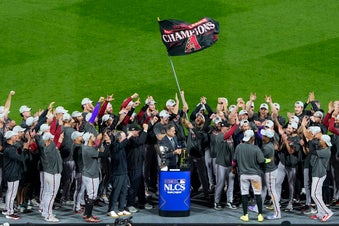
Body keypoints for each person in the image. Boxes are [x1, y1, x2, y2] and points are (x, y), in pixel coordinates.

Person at [233, 130, 268, 222]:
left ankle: (245, 215)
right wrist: (267, 160)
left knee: (244, 194)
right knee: (258, 194)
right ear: (252, 138)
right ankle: (260, 215)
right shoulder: (256, 148)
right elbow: (261, 160)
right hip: (255, 176)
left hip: (243, 175)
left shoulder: (239, 147)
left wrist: (234, 168)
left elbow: (234, 160)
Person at [35, 131, 63, 222]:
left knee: (47, 194)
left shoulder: (43, 147)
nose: (52, 139)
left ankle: (44, 212)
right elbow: (57, 142)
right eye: (51, 138)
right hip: (53, 175)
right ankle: (48, 216)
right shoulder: (51, 148)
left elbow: (40, 141)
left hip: (47, 173)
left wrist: (37, 136)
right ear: (49, 140)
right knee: (51, 196)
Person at [107, 131, 132, 218]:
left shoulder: (122, 146)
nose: (126, 138)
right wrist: (128, 137)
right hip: (117, 173)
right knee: (115, 192)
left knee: (124, 191)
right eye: (124, 137)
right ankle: (111, 210)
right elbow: (120, 145)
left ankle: (121, 209)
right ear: (120, 138)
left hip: (124, 172)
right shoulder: (114, 145)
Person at [81, 132, 105, 223]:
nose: (95, 137)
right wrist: (101, 140)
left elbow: (100, 149)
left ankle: (86, 214)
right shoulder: (89, 149)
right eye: (93, 136)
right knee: (92, 195)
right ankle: (89, 216)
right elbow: (103, 153)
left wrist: (100, 141)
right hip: (91, 175)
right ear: (89, 139)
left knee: (90, 195)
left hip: (87, 174)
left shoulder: (87, 147)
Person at [309, 134, 333, 222]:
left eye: (321, 140)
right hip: (317, 173)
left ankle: (328, 212)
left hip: (319, 174)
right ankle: (320, 213)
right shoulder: (322, 148)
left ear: (324, 143)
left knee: (314, 195)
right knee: (318, 195)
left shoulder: (326, 151)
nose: (319, 141)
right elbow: (314, 145)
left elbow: (312, 151)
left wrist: (310, 141)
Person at [2, 131, 23, 220]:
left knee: (10, 192)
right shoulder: (10, 150)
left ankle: (8, 209)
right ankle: (9, 212)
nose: (16, 137)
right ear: (10, 138)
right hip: (12, 173)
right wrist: (25, 150)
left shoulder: (9, 147)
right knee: (12, 193)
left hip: (11, 172)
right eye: (14, 136)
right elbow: (20, 158)